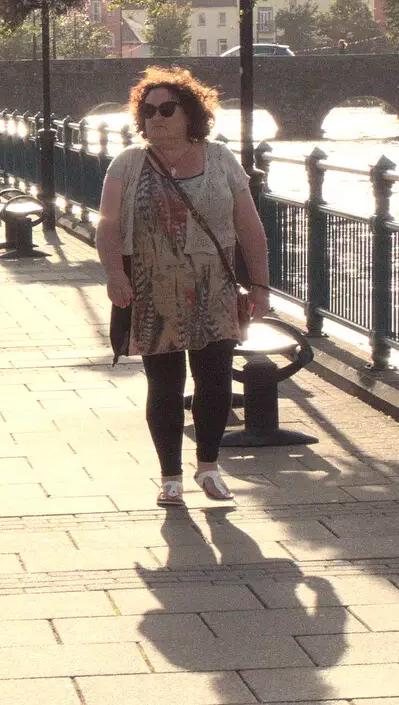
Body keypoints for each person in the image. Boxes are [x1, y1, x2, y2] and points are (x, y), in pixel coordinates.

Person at [95, 66, 271, 505]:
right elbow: (108, 223)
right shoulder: (128, 163)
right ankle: (169, 476)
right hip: (153, 288)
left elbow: (248, 225)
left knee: (213, 382)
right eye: (148, 109)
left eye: (167, 109)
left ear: (191, 114)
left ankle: (209, 468)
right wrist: (115, 273)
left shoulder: (221, 160)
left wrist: (262, 285)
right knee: (165, 383)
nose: (156, 117)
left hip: (214, 286)